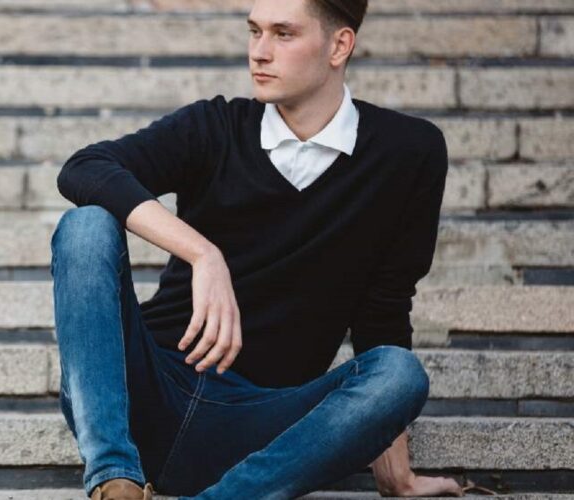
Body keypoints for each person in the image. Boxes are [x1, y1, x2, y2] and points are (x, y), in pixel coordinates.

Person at [51, 0, 464, 498]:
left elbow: (385, 310)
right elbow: (84, 168)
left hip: (258, 426)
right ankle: (113, 477)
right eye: (254, 31)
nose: (259, 53)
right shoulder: (214, 127)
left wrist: (391, 452)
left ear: (340, 45)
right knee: (86, 224)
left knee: (401, 374)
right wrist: (205, 254)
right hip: (146, 394)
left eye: (283, 34)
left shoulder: (407, 152)